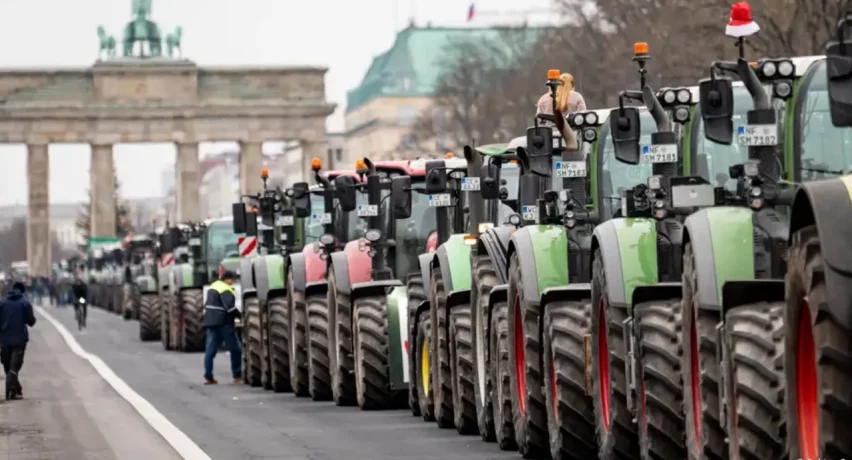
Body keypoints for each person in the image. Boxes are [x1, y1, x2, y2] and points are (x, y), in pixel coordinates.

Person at [203, 271, 242, 384]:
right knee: (235, 349)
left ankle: (208, 376)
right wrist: (240, 316)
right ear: (227, 279)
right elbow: (229, 308)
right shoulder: (225, 289)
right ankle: (237, 375)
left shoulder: (213, 286)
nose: (232, 282)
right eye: (232, 280)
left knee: (210, 350)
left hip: (210, 321)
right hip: (224, 322)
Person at [0, 282, 36, 399]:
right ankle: (12, 389)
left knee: (7, 366)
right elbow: (31, 321)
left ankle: (14, 389)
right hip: (19, 340)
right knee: (14, 367)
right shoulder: (25, 303)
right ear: (22, 291)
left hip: (4, 340)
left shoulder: (2, 302)